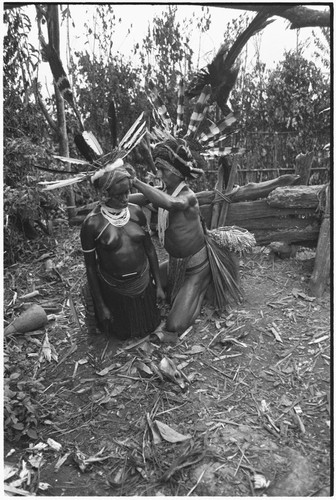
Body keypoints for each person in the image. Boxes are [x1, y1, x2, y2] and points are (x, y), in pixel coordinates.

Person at [131, 138, 240, 339]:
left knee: (174, 326)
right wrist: (117, 194)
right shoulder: (164, 191)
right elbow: (146, 199)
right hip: (175, 263)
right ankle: (180, 288)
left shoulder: (187, 197)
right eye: (158, 168)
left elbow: (171, 204)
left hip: (195, 267)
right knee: (145, 287)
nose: (159, 174)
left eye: (163, 169)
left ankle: (201, 285)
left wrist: (135, 182)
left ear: (177, 172)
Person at [80, 163, 165, 340]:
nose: (126, 198)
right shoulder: (92, 224)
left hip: (144, 286)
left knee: (151, 327)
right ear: (105, 194)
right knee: (120, 334)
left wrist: (158, 284)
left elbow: (150, 249)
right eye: (119, 195)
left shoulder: (136, 213)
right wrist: (101, 305)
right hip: (115, 292)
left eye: (128, 192)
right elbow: (90, 268)